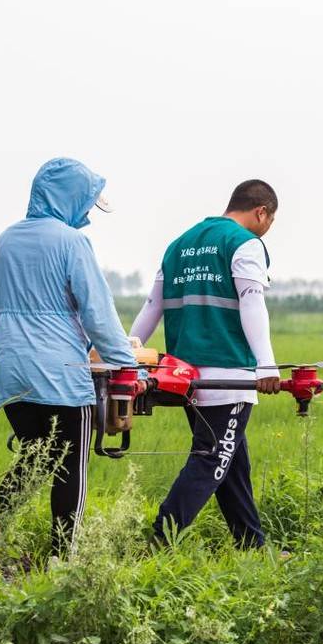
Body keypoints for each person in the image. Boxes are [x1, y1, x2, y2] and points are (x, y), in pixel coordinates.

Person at [0, 157, 137, 560]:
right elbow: (97, 310)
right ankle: (62, 559)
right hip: (61, 375)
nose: (87, 214)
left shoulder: (6, 239)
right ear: (71, 198)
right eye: (86, 203)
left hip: (10, 370)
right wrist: (126, 363)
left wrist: (2, 357)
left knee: (35, 456)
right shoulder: (72, 242)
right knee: (69, 466)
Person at [130, 179, 280, 549]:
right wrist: (267, 366)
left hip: (186, 377)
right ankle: (158, 544)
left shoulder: (179, 245)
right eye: (271, 219)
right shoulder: (244, 244)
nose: (268, 227)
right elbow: (251, 301)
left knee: (231, 463)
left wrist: (129, 355)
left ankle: (253, 548)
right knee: (211, 460)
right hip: (228, 374)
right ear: (261, 212)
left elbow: (153, 307)